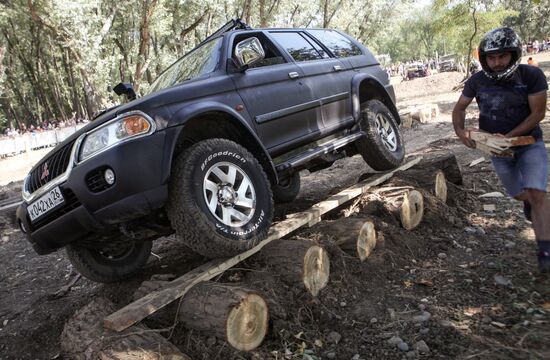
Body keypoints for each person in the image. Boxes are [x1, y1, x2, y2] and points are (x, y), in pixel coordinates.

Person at [452, 27, 550, 274]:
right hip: (498, 151)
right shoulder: (476, 80)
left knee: (538, 193)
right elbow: (459, 108)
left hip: (529, 143)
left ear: (513, 55)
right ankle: (527, 202)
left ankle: (545, 251)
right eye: (491, 58)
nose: (496, 63)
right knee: (519, 194)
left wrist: (508, 137)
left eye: (502, 56)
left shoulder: (531, 76)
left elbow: (538, 113)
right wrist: (461, 132)